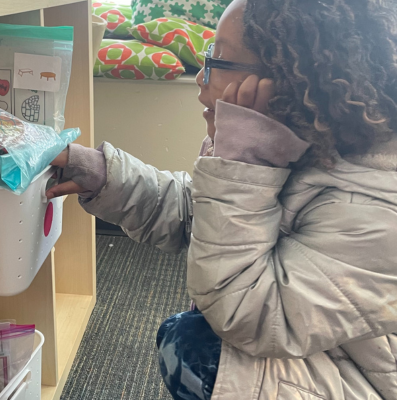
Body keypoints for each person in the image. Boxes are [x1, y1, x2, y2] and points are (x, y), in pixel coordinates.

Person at [47, 0, 397, 398]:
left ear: (289, 81)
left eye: (216, 60)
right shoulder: (313, 141)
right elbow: (198, 214)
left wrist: (241, 164)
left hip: (365, 381)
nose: (202, 77)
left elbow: (248, 314)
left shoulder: (375, 205)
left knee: (194, 346)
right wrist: (105, 174)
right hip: (326, 348)